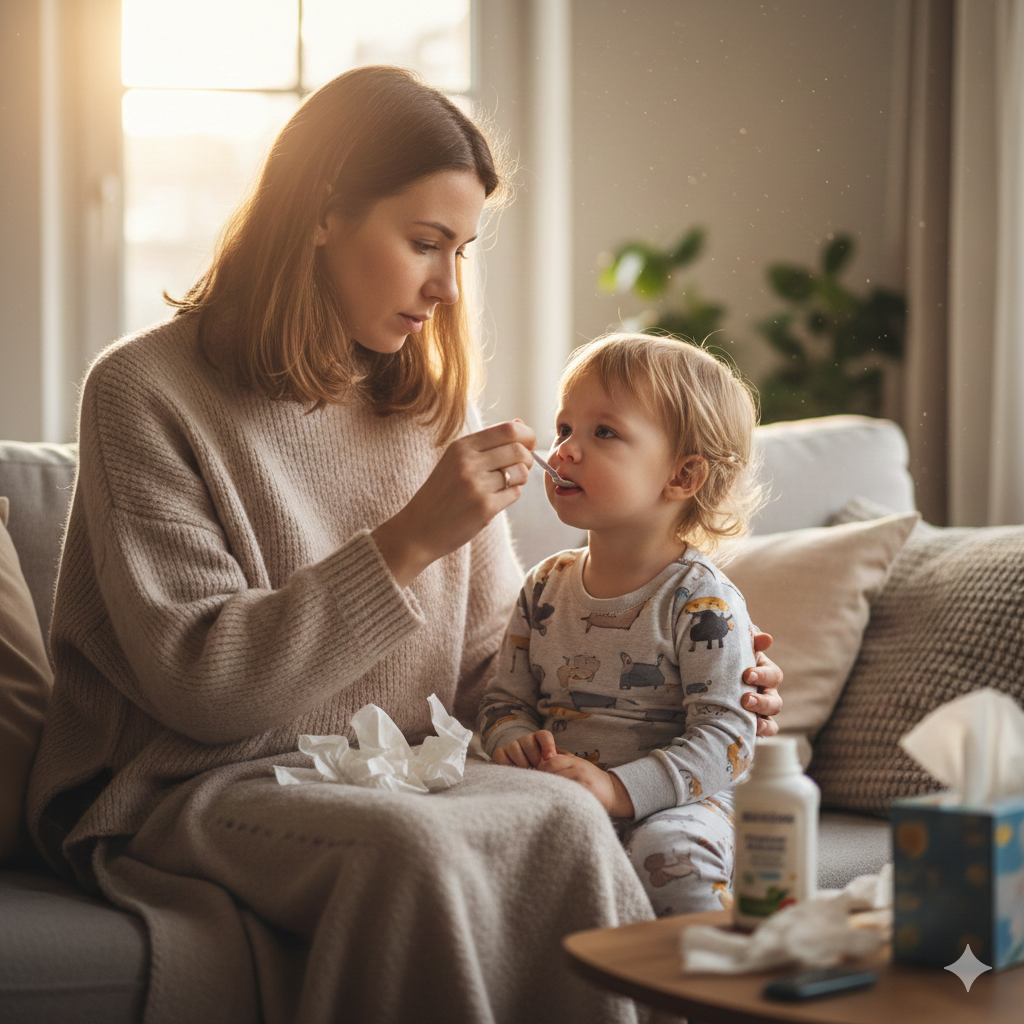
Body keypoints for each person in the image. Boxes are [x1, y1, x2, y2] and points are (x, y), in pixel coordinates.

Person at [27, 67, 783, 1024]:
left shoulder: (426, 407)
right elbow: (203, 691)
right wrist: (408, 541)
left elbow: (484, 673)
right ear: (321, 213)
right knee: (412, 850)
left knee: (557, 816)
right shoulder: (142, 392)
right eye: (425, 243)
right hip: (190, 782)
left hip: (404, 769)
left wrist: (679, 688)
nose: (446, 287)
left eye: (461, 251)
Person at [479, 333, 766, 917]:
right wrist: (511, 740)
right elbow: (503, 700)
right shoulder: (544, 585)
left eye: (603, 432)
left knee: (671, 855)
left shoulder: (701, 599)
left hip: (684, 801)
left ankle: (704, 992)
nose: (564, 451)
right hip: (568, 797)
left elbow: (728, 741)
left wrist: (618, 791)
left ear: (683, 477)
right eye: (564, 429)